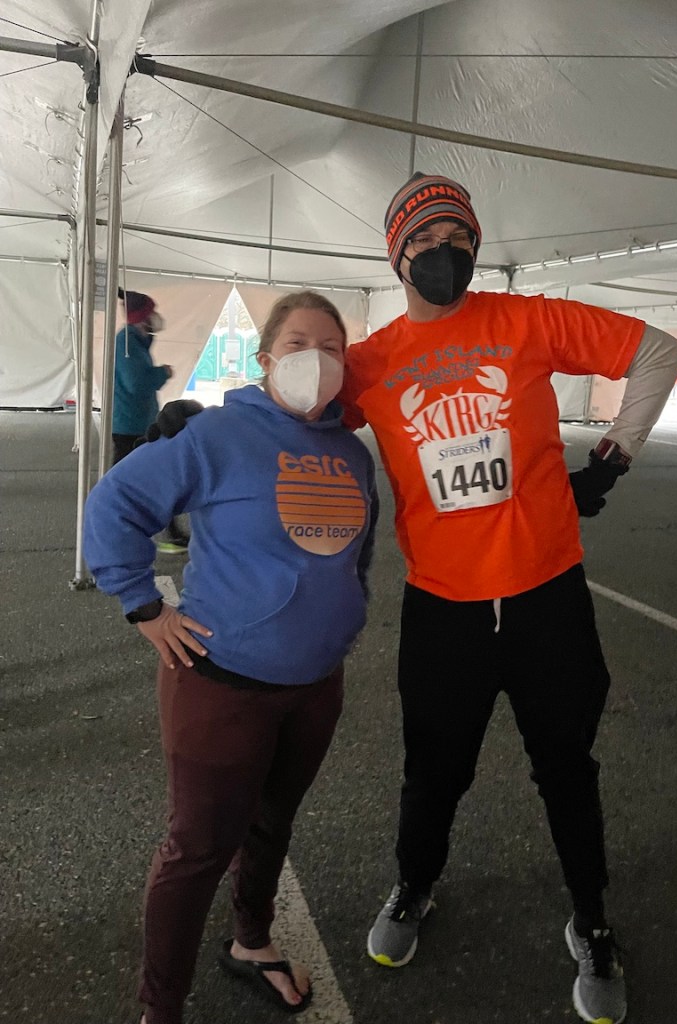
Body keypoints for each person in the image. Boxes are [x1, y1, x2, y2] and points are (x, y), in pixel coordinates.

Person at [149, 173, 677, 1024]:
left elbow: (659, 350)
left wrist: (614, 458)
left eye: (460, 241)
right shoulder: (374, 362)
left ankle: (592, 920)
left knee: (568, 771)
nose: (448, 257)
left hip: (549, 597)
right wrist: (206, 426)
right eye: (428, 245)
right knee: (433, 772)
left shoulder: (528, 320)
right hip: (445, 610)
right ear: (396, 256)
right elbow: (296, 407)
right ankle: (413, 887)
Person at [84, 290, 378, 1024]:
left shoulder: (350, 453)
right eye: (301, 342)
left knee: (272, 822)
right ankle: (162, 1006)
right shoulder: (218, 436)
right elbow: (114, 507)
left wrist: (346, 615)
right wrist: (145, 605)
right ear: (267, 357)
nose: (319, 359)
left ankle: (250, 940)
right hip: (221, 685)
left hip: (315, 687)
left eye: (334, 348)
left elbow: (357, 554)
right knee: (197, 851)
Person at [112, 287, 189, 553]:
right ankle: (121, 535)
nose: (156, 317)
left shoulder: (135, 341)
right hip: (130, 425)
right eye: (152, 312)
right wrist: (162, 373)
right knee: (134, 482)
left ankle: (160, 531)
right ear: (143, 317)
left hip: (136, 421)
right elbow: (136, 382)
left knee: (148, 479)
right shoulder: (128, 343)